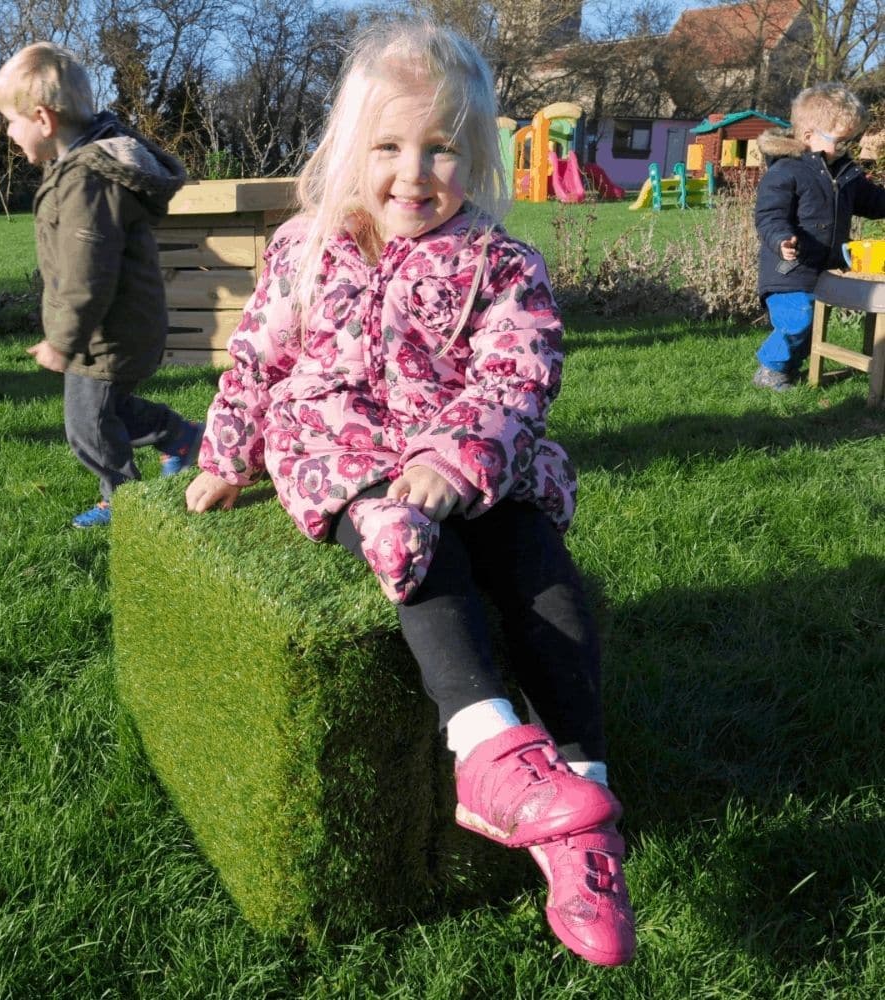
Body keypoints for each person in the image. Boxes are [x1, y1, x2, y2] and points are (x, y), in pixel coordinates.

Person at [185, 20, 635, 966]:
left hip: (469, 454)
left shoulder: (500, 263)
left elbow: (519, 378)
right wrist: (225, 457)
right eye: (388, 147)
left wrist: (463, 458)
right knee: (415, 551)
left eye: (440, 149)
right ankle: (486, 752)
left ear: (475, 157)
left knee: (543, 573)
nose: (412, 172)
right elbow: (256, 362)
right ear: (352, 148)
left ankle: (580, 823)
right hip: (348, 450)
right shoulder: (306, 247)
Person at [0, 42, 203, 527]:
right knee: (112, 411)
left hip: (107, 333)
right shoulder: (82, 170)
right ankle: (181, 437)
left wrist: (62, 342)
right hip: (119, 326)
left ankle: (123, 501)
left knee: (87, 425)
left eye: (10, 120)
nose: (7, 132)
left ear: (43, 119)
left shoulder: (87, 181)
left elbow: (88, 272)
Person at [754, 82, 885, 391]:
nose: (845, 148)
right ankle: (770, 368)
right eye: (840, 141)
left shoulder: (846, 173)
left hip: (825, 266)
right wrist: (781, 238)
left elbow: (873, 201)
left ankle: (790, 366)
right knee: (797, 319)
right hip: (788, 268)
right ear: (809, 136)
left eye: (849, 141)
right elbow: (769, 215)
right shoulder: (786, 171)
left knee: (808, 322)